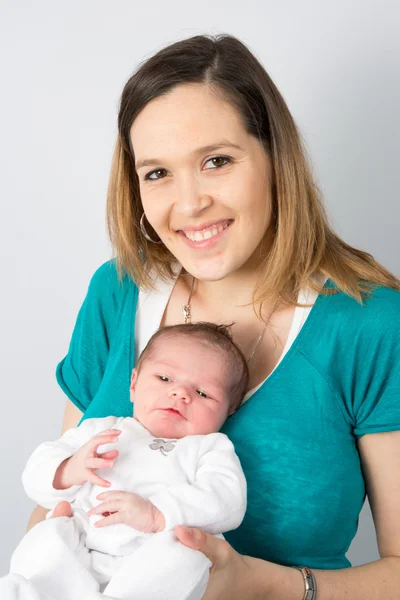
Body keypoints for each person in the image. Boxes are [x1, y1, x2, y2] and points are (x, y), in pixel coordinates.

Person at [26, 33, 400, 599]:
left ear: (275, 155)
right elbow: (54, 508)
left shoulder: (369, 325)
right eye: (157, 173)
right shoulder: (117, 291)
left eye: (217, 161)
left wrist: (263, 586)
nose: (190, 203)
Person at [5, 323, 248, 600]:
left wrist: (156, 514)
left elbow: (227, 501)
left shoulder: (210, 449)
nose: (180, 394)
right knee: (49, 534)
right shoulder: (102, 430)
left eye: (203, 393)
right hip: (85, 540)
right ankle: (30, 592)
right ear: (133, 384)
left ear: (228, 412)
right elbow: (35, 473)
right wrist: (69, 469)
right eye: (165, 379)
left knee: (188, 557)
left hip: (151, 556)